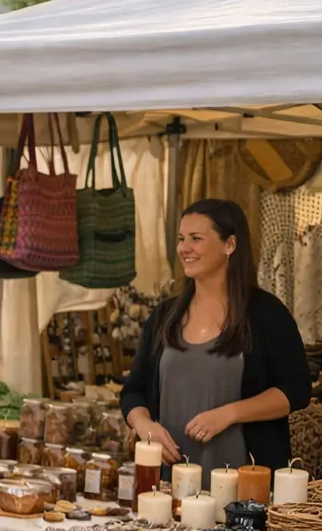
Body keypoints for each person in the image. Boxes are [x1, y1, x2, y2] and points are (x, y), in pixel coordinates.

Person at [122, 199, 309, 484]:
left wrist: (230, 414)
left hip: (244, 489)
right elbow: (133, 391)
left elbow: (295, 390)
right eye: (182, 239)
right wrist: (145, 425)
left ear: (230, 245)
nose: (185, 248)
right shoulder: (164, 316)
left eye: (196, 239)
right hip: (167, 485)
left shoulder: (266, 314)